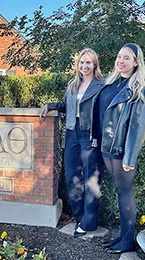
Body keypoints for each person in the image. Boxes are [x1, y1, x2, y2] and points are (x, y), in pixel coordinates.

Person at [40, 48, 104, 237]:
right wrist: (49, 105)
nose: (84, 66)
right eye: (81, 62)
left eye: (88, 62)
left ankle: (89, 222)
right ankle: (79, 217)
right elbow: (66, 106)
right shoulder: (73, 84)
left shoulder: (101, 85)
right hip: (71, 134)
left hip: (90, 134)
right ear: (77, 65)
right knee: (72, 177)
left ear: (95, 65)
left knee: (91, 179)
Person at [96, 43, 145, 253]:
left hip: (121, 151)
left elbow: (137, 128)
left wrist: (130, 157)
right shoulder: (111, 84)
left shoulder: (138, 90)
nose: (121, 60)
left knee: (125, 192)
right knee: (119, 191)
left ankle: (128, 241)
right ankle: (122, 237)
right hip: (106, 148)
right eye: (119, 56)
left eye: (127, 58)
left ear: (136, 63)